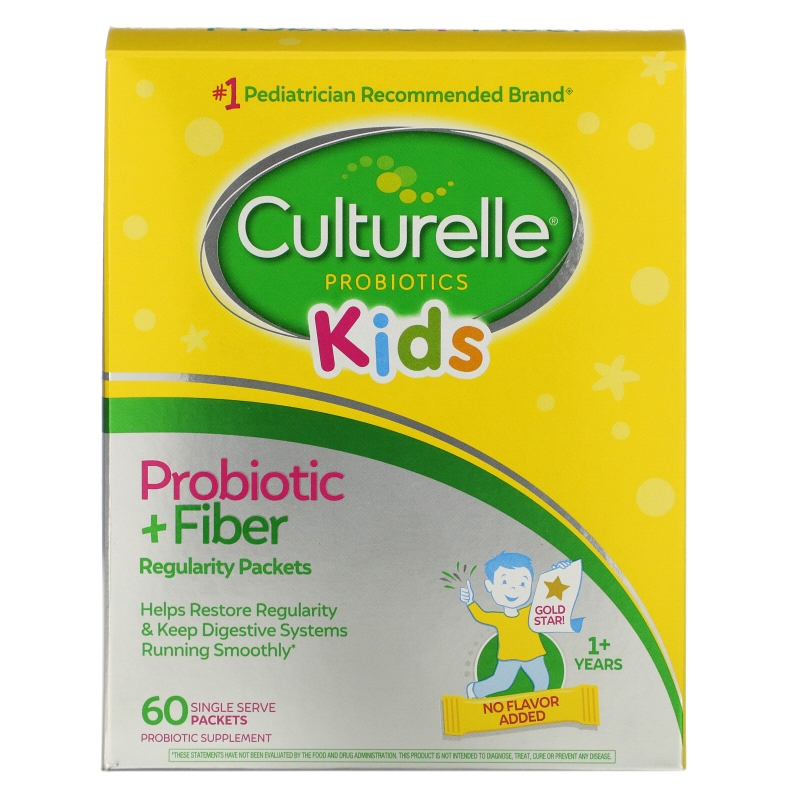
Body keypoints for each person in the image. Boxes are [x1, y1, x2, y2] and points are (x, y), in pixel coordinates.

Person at [460, 550, 569, 698]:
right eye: (504, 582)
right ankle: (475, 690)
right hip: (509, 657)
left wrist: (561, 573)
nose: (513, 589)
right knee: (502, 683)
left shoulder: (531, 610)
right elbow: (481, 616)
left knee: (542, 682)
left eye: (522, 583)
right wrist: (470, 602)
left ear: (531, 585)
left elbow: (550, 596)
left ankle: (537, 707)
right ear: (490, 586)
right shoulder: (498, 618)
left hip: (534, 655)